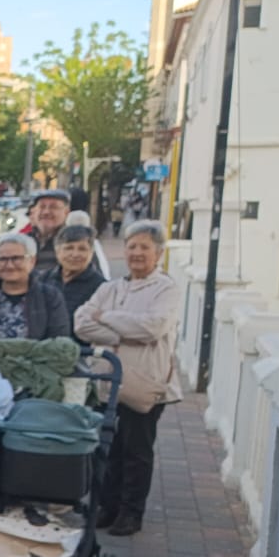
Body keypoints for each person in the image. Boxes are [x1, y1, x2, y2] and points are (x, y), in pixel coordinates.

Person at [74, 220, 182, 536]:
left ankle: (131, 513)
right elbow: (82, 324)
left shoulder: (166, 289)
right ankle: (108, 508)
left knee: (137, 450)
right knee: (110, 448)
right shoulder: (111, 287)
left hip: (144, 384)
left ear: (158, 253)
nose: (136, 253)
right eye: (131, 246)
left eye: (144, 247)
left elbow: (153, 328)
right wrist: (126, 330)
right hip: (109, 382)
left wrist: (106, 320)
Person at [0, 232, 71, 346]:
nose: (9, 265)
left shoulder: (49, 298)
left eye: (16, 258)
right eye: (3, 259)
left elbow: (58, 343)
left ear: (32, 261)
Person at [37, 219, 107, 331]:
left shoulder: (102, 288)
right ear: (57, 251)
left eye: (82, 249)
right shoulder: (43, 280)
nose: (75, 254)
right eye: (69, 248)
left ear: (91, 253)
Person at [23, 190, 71, 271]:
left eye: (54, 207)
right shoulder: (23, 242)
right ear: (34, 212)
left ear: (66, 213)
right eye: (42, 207)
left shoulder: (75, 242)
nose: (46, 212)